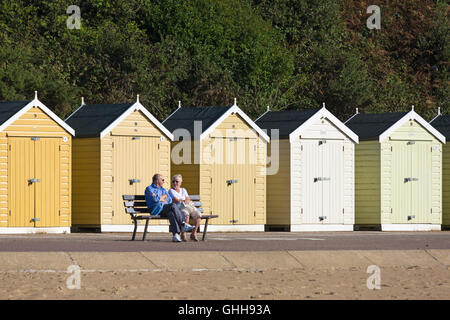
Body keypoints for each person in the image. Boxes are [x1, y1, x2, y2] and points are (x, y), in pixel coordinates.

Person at [145, 173, 194, 242]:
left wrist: (160, 198)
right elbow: (155, 200)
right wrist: (162, 198)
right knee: (173, 206)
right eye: (162, 180)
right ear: (157, 180)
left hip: (163, 208)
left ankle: (176, 235)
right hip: (155, 209)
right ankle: (183, 224)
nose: (163, 181)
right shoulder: (149, 189)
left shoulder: (163, 190)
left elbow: (169, 200)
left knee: (171, 213)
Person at [169, 174, 202, 241]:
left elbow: (188, 199)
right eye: (173, 181)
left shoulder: (183, 190)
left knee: (198, 215)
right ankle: (183, 233)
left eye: (177, 181)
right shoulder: (171, 191)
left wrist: (184, 200)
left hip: (189, 206)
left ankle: (193, 233)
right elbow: (176, 200)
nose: (175, 183)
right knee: (186, 214)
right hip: (179, 208)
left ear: (180, 183)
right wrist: (184, 200)